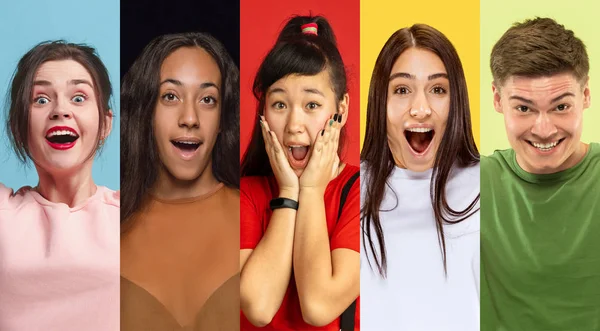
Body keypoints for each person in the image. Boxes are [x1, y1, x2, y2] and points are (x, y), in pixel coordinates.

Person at [240, 15, 360, 331]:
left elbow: (318, 307)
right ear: (263, 111)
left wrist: (310, 190)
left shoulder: (367, 192)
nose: (294, 124)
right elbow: (259, 308)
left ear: (341, 109)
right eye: (279, 104)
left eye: (311, 105)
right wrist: (290, 193)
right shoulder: (242, 195)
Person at [481, 17, 600, 330]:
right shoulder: (473, 183)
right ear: (497, 99)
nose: (544, 129)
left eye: (561, 107)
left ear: (586, 95)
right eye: (524, 108)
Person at [360, 24, 480, 331]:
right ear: (379, 102)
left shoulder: (490, 186)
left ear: (456, 103)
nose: (421, 109)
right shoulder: (350, 189)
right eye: (402, 90)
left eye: (438, 89)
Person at [119, 33, 240, 331]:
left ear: (223, 118)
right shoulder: (106, 222)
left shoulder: (258, 215)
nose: (189, 117)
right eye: (170, 96)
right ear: (146, 111)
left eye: (207, 99)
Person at [0, 41, 119, 331]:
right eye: (40, 100)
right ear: (18, 126)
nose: (60, 110)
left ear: (105, 124)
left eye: (79, 98)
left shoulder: (136, 216)